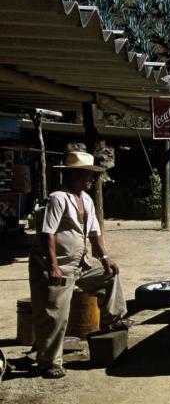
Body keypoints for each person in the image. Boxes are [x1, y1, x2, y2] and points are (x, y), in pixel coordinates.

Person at [29, 151, 131, 378]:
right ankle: (49, 362)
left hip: (81, 262)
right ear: (73, 174)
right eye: (87, 175)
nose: (91, 179)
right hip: (58, 264)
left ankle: (112, 319)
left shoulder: (87, 199)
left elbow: (95, 234)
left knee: (109, 276)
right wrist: (53, 265)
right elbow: (48, 233)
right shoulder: (58, 198)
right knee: (55, 314)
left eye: (92, 175)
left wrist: (105, 258)